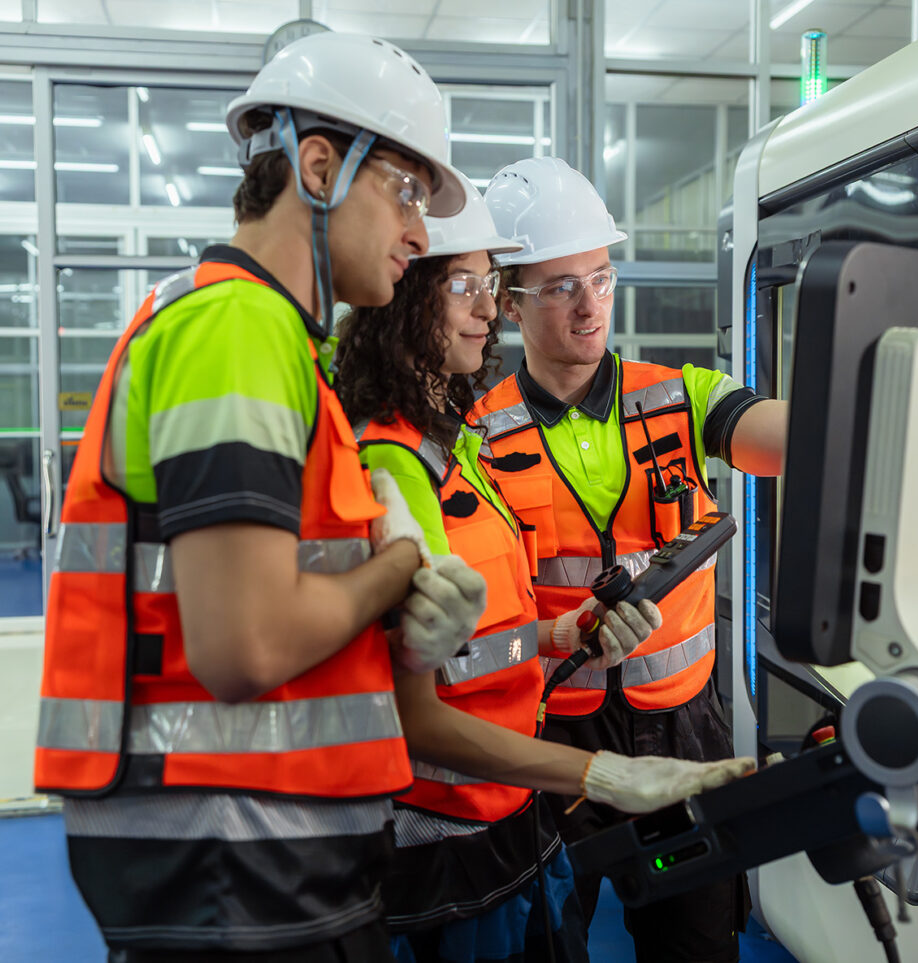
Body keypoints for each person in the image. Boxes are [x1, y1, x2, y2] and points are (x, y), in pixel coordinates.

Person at [33, 32, 491, 963]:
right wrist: (398, 564)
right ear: (318, 167)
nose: (419, 232)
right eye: (403, 191)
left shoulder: (278, 346)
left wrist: (400, 614)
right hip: (233, 864)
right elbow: (246, 645)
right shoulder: (237, 329)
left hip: (254, 861)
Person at [334, 172, 756, 963]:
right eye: (469, 286)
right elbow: (419, 700)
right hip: (484, 799)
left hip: (584, 764)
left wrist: (558, 629)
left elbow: (483, 637)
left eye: (600, 278)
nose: (486, 308)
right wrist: (596, 772)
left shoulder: (457, 444)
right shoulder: (426, 451)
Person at [473, 156, 788, 963]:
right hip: (554, 739)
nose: (589, 306)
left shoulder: (680, 394)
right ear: (509, 302)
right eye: (559, 287)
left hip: (683, 727)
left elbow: (773, 432)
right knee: (546, 943)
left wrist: (857, 412)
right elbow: (480, 622)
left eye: (601, 277)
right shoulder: (477, 435)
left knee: (695, 942)